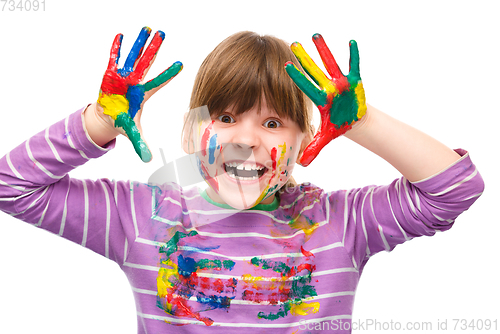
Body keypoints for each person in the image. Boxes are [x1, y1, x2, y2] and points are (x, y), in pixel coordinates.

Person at [0, 27, 484, 333]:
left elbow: (455, 189)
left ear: (303, 139)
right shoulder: (142, 219)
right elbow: (10, 186)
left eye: (273, 124)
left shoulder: (340, 224)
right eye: (227, 117)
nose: (246, 139)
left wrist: (362, 121)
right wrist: (99, 123)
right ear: (193, 129)